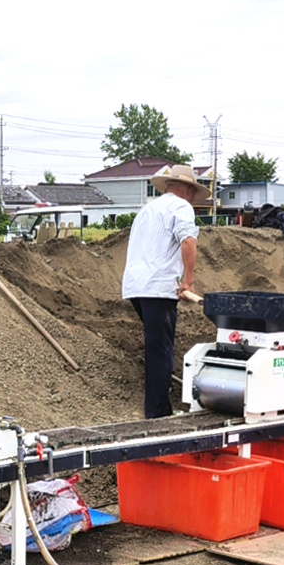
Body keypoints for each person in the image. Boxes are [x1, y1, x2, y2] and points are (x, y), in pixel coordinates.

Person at [121, 164, 202, 418]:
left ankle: (157, 406)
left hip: (135, 286)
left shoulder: (147, 209)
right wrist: (188, 282)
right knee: (161, 351)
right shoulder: (181, 207)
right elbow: (188, 241)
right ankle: (158, 413)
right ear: (188, 190)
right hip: (158, 287)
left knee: (156, 346)